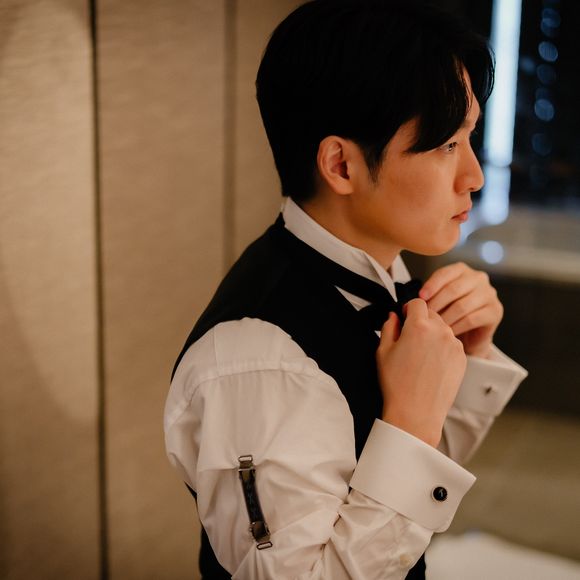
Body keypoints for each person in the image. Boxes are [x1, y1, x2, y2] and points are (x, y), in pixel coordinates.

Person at [164, 0, 528, 578]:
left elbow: (410, 503)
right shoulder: (261, 361)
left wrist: (467, 357)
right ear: (341, 165)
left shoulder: (387, 277)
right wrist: (410, 419)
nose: (475, 176)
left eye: (469, 138)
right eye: (446, 145)